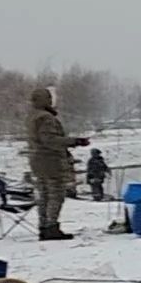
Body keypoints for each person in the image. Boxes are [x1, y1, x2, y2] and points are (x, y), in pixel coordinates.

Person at [26, 87, 85, 241]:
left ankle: (44, 227)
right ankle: (52, 227)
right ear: (46, 100)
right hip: (50, 162)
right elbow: (50, 140)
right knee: (56, 194)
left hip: (37, 161)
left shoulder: (32, 116)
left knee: (44, 195)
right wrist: (75, 141)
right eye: (49, 98)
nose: (52, 101)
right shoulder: (46, 118)